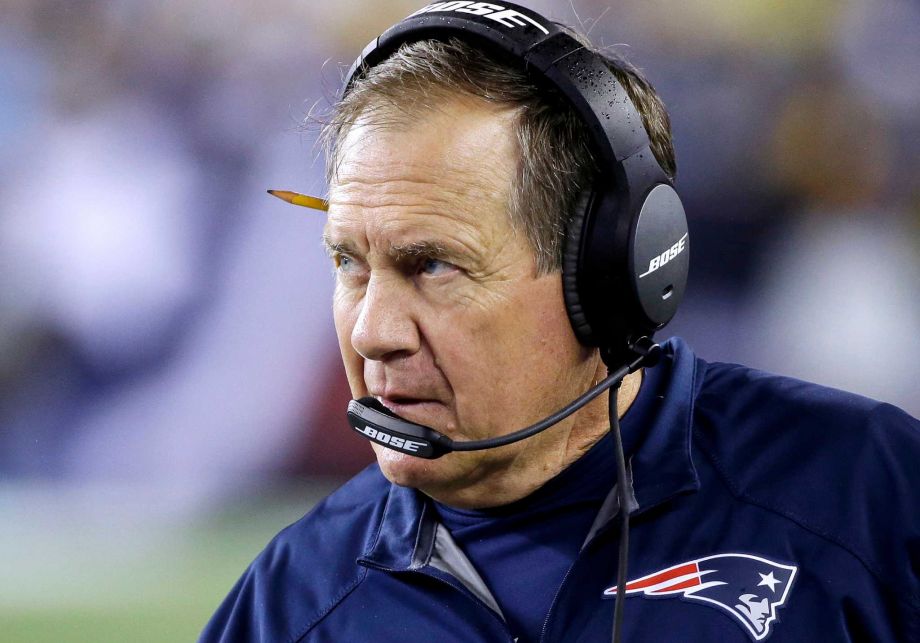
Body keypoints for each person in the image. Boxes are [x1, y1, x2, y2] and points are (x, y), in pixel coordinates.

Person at [200, 4, 920, 642]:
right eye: (351, 264)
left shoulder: (867, 491)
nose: (372, 332)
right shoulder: (291, 603)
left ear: (613, 278)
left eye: (433, 266)